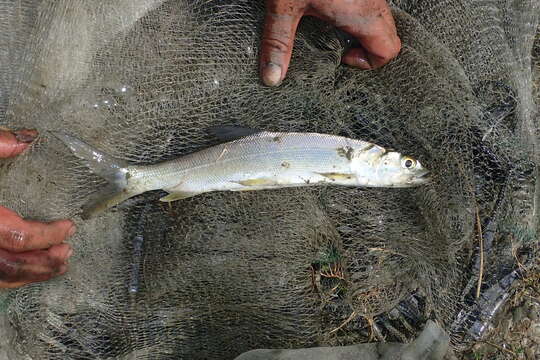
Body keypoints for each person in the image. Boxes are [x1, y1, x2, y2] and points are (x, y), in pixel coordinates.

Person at [0, 0, 400, 289]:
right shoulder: (357, 155)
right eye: (406, 165)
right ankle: (134, 179)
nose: (407, 170)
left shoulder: (352, 157)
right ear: (376, 161)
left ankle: (136, 179)